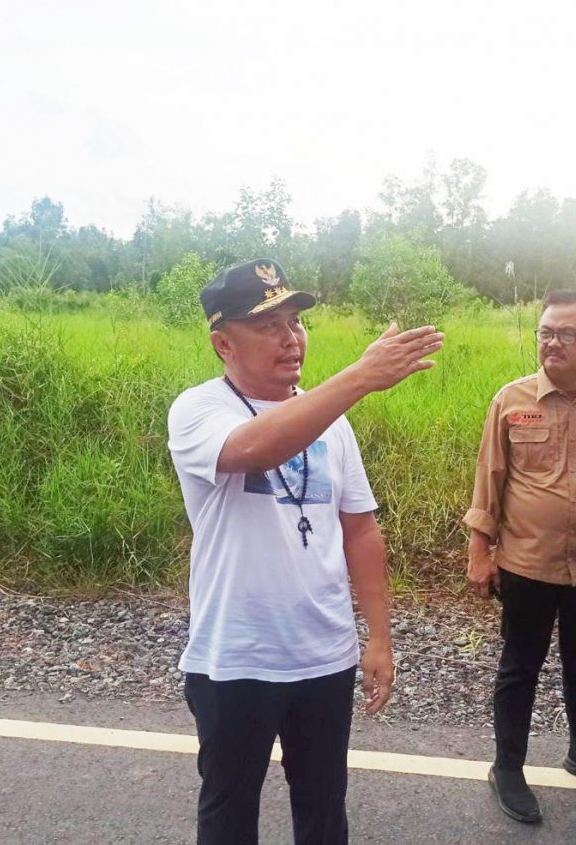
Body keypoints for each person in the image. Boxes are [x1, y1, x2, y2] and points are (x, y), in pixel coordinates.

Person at [167, 258, 444, 845]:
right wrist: (359, 378)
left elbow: (361, 530)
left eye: (295, 322)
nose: (291, 338)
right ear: (223, 344)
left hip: (323, 654)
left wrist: (378, 637)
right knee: (228, 809)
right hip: (235, 657)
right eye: (268, 326)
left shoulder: (333, 420)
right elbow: (252, 450)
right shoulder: (199, 409)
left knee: (324, 808)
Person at [465, 290, 576, 825]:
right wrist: (480, 549)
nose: (552, 342)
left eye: (566, 334)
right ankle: (508, 768)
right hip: (527, 563)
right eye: (545, 332)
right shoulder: (512, 399)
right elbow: (489, 479)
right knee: (520, 667)